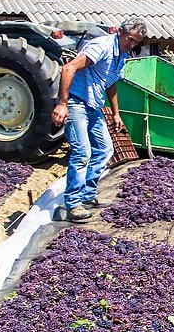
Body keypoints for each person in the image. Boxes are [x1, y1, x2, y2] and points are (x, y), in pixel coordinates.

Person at [52, 17, 146, 222]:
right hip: (76, 102)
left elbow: (110, 83)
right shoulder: (101, 46)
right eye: (129, 39)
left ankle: (87, 195)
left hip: (93, 105)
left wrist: (116, 113)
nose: (131, 45)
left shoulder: (121, 56)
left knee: (105, 150)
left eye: (136, 42)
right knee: (82, 152)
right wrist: (62, 104)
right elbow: (68, 68)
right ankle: (73, 204)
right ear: (120, 32)